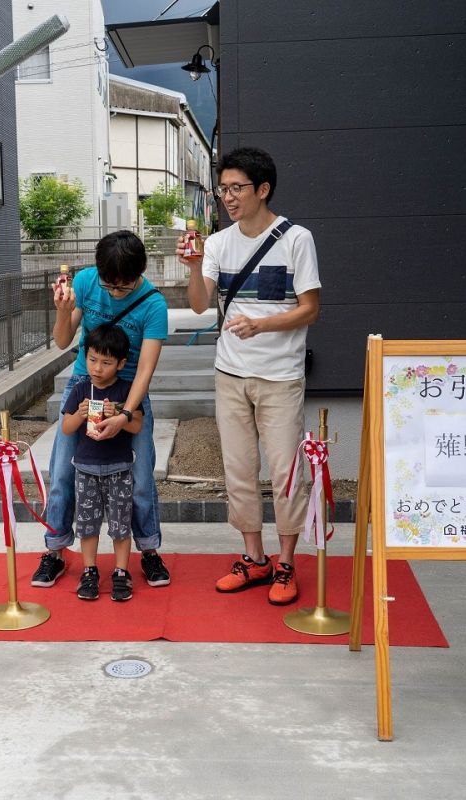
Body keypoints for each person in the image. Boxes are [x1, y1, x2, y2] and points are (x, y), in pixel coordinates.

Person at [178, 147, 322, 606]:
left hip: (280, 376)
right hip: (230, 374)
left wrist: (261, 323)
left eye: (236, 188)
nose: (228, 198)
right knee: (239, 469)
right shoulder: (218, 243)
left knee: (285, 471)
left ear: (263, 189)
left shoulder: (297, 238)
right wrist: (192, 268)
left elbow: (310, 309)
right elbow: (200, 306)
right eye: (223, 190)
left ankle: (286, 564)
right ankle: (254, 559)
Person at [32, 230, 170, 589]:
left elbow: (145, 370)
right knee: (62, 473)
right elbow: (63, 340)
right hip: (82, 390)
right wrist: (62, 312)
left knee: (139, 479)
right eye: (108, 284)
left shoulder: (153, 304)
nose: (112, 293)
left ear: (139, 274)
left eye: (122, 288)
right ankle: (55, 550)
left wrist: (125, 415)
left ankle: (149, 550)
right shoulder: (86, 281)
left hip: (128, 395)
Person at [59, 324, 145, 601]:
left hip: (120, 468)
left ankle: (121, 572)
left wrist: (120, 414)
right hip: (85, 469)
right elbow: (66, 428)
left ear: (121, 364)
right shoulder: (81, 388)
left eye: (106, 362)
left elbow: (138, 426)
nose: (97, 368)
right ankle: (89, 570)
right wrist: (81, 413)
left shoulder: (126, 391)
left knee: (121, 524)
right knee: (87, 525)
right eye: (92, 359)